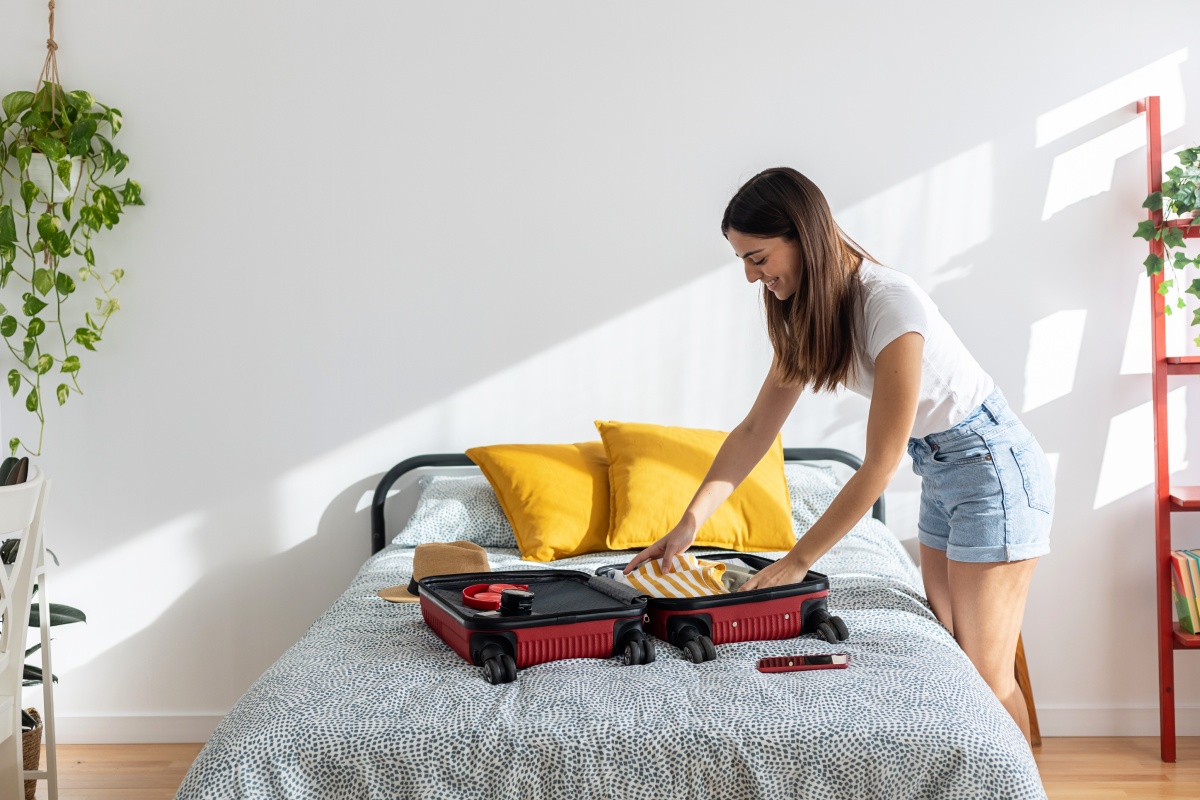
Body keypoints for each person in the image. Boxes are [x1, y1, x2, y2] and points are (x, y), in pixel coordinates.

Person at [621, 167, 1054, 744]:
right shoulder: (810, 310)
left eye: (758, 257)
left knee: (985, 677)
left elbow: (878, 463)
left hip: (990, 469)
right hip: (942, 471)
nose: (753, 276)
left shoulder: (889, 304)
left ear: (802, 235)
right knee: (955, 659)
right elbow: (754, 431)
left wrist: (796, 561)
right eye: (743, 262)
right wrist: (688, 524)